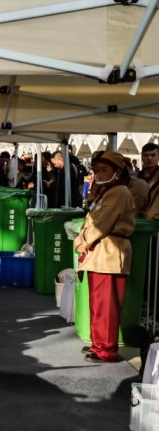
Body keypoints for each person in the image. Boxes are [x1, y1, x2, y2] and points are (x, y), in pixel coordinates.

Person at [74, 151, 136, 363]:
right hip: (100, 253)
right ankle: (99, 343)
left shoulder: (119, 192)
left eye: (104, 169)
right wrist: (82, 240)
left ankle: (106, 349)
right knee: (98, 303)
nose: (99, 173)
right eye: (97, 170)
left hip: (110, 253)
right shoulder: (106, 190)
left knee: (106, 306)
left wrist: (83, 241)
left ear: (117, 171)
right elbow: (93, 218)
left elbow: (102, 222)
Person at [138, 142, 159, 219]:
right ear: (142, 157)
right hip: (138, 216)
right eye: (146, 155)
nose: (149, 158)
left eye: (153, 155)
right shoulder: (136, 177)